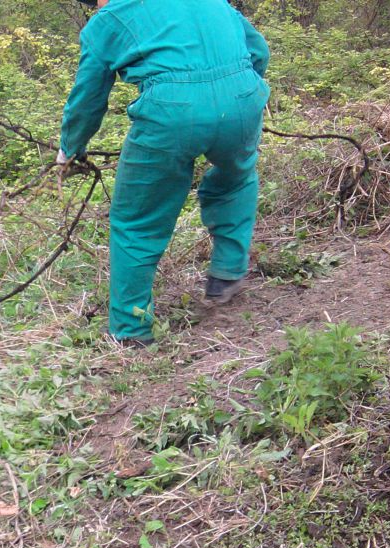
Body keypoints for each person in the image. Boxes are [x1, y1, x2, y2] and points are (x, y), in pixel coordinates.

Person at [58, 0, 270, 346]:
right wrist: (238, 97)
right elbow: (258, 51)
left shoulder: (108, 19)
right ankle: (227, 275)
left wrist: (70, 148)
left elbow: (87, 100)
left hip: (171, 111)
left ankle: (131, 330)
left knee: (137, 220)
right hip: (244, 95)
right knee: (235, 181)